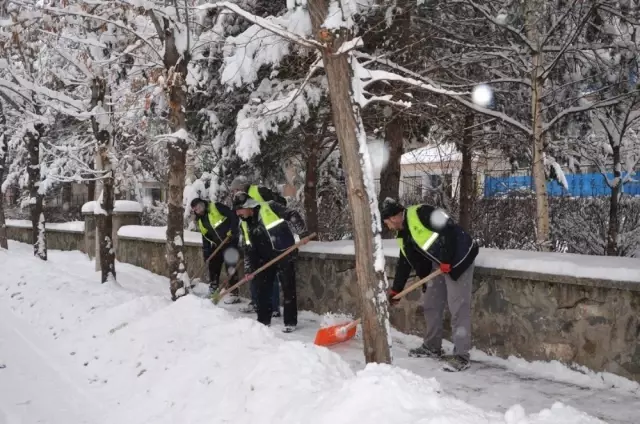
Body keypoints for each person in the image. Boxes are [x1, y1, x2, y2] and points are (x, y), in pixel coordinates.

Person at [381, 197, 479, 372]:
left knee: (458, 307)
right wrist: (397, 290)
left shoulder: (421, 212)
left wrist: (448, 259)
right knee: (431, 304)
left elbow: (449, 229)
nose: (387, 227)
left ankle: (461, 356)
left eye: (386, 222)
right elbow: (405, 262)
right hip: (440, 265)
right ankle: (432, 346)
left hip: (459, 258)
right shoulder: (402, 234)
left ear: (394, 217)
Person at [232, 191, 309, 332]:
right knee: (262, 289)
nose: (238, 214)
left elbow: (292, 214)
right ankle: (263, 321)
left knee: (288, 287)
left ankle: (290, 322)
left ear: (248, 206)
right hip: (263, 258)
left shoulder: (270, 207)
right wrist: (249, 269)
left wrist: (302, 233)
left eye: (239, 210)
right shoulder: (243, 223)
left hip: (284, 252)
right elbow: (247, 248)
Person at [229, 175, 286, 315]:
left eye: (235, 189)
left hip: (268, 239)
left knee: (270, 275)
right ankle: (255, 302)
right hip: (252, 241)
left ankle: (273, 308)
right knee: (252, 274)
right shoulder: (240, 201)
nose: (234, 193)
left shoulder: (258, 191)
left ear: (242, 187)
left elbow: (281, 203)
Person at [191, 197, 242, 304]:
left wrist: (232, 230)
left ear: (204, 203)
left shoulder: (216, 207)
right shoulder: (201, 221)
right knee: (213, 263)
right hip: (218, 244)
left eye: (201, 206)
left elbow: (233, 216)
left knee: (230, 265)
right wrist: (207, 255)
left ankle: (234, 293)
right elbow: (205, 239)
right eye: (197, 209)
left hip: (230, 240)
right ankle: (213, 287)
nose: (200, 209)